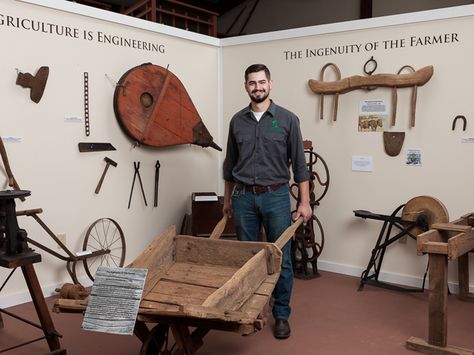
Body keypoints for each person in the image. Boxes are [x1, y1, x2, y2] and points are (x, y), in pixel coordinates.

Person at [222, 63, 312, 339]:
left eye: (262, 82)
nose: (257, 87)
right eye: (252, 83)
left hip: (276, 198)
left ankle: (281, 314)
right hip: (243, 199)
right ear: (246, 86)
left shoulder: (287, 119)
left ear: (270, 84)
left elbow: (299, 165)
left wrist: (304, 202)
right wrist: (227, 201)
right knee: (248, 258)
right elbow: (230, 165)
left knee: (280, 259)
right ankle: (251, 310)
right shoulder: (237, 121)